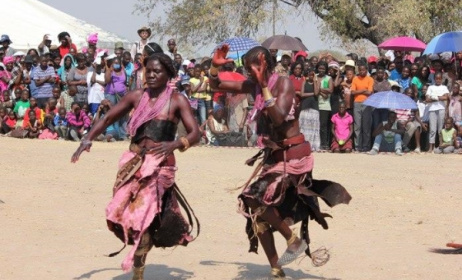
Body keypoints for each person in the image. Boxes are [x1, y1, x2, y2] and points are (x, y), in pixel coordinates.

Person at [209, 45, 350, 278]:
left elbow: (277, 117)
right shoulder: (253, 86)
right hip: (274, 159)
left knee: (253, 197)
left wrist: (264, 86)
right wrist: (215, 66)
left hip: (294, 157)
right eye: (247, 69)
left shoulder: (283, 84)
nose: (250, 73)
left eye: (253, 67)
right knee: (256, 213)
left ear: (265, 64)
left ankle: (293, 240)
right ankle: (276, 268)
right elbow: (215, 85)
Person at [71, 52, 201, 280]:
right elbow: (108, 118)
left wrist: (174, 144)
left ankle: (139, 267)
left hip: (160, 166)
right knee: (120, 210)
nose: (150, 75)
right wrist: (87, 139)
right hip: (134, 164)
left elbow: (195, 133)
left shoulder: (177, 100)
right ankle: (141, 251)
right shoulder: (136, 96)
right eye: (147, 70)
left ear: (168, 74)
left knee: (147, 216)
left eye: (157, 71)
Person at [351, 63, 374, 151]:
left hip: (367, 104)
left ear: (366, 70)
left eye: (363, 70)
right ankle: (357, 146)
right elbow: (352, 92)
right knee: (357, 126)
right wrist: (364, 90)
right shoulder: (355, 79)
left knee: (366, 126)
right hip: (357, 103)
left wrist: (358, 91)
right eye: (360, 70)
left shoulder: (370, 79)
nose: (362, 71)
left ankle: (366, 146)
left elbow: (369, 92)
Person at [397, 88, 427, 153]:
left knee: (413, 126)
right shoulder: (398, 102)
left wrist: (406, 122)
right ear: (404, 94)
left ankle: (403, 145)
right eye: (408, 93)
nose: (409, 95)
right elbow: (393, 114)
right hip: (397, 120)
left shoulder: (412, 103)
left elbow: (413, 116)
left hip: (407, 120)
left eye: (411, 94)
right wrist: (398, 121)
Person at [105, 56, 128, 140]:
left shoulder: (123, 71)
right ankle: (114, 133)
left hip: (122, 95)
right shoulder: (110, 71)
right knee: (113, 113)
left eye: (118, 63)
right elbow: (107, 81)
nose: (116, 65)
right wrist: (110, 70)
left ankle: (123, 134)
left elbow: (125, 82)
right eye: (115, 63)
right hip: (111, 94)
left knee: (122, 113)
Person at [298, 67, 320, 151]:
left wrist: (315, 81)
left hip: (314, 107)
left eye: (312, 75)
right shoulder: (304, 82)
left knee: (313, 127)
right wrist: (311, 94)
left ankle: (313, 146)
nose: (311, 76)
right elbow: (302, 94)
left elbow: (317, 93)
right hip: (305, 106)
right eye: (310, 75)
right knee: (304, 127)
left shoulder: (316, 82)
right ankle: (304, 144)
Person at [426, 72, 449, 152]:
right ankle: (431, 147)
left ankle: (440, 146)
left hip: (441, 109)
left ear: (442, 79)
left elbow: (446, 97)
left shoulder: (444, 87)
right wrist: (439, 97)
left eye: (440, 79)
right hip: (432, 109)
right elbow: (427, 99)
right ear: (434, 79)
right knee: (432, 129)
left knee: (440, 129)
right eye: (437, 79)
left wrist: (434, 97)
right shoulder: (430, 87)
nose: (438, 80)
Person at [316, 61, 333, 150]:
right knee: (316, 125)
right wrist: (323, 92)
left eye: (323, 68)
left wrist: (319, 89)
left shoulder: (328, 78)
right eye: (320, 68)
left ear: (326, 69)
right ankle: (316, 143)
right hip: (315, 103)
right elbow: (313, 89)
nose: (321, 70)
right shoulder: (314, 77)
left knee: (323, 125)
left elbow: (330, 90)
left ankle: (324, 143)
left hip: (325, 105)